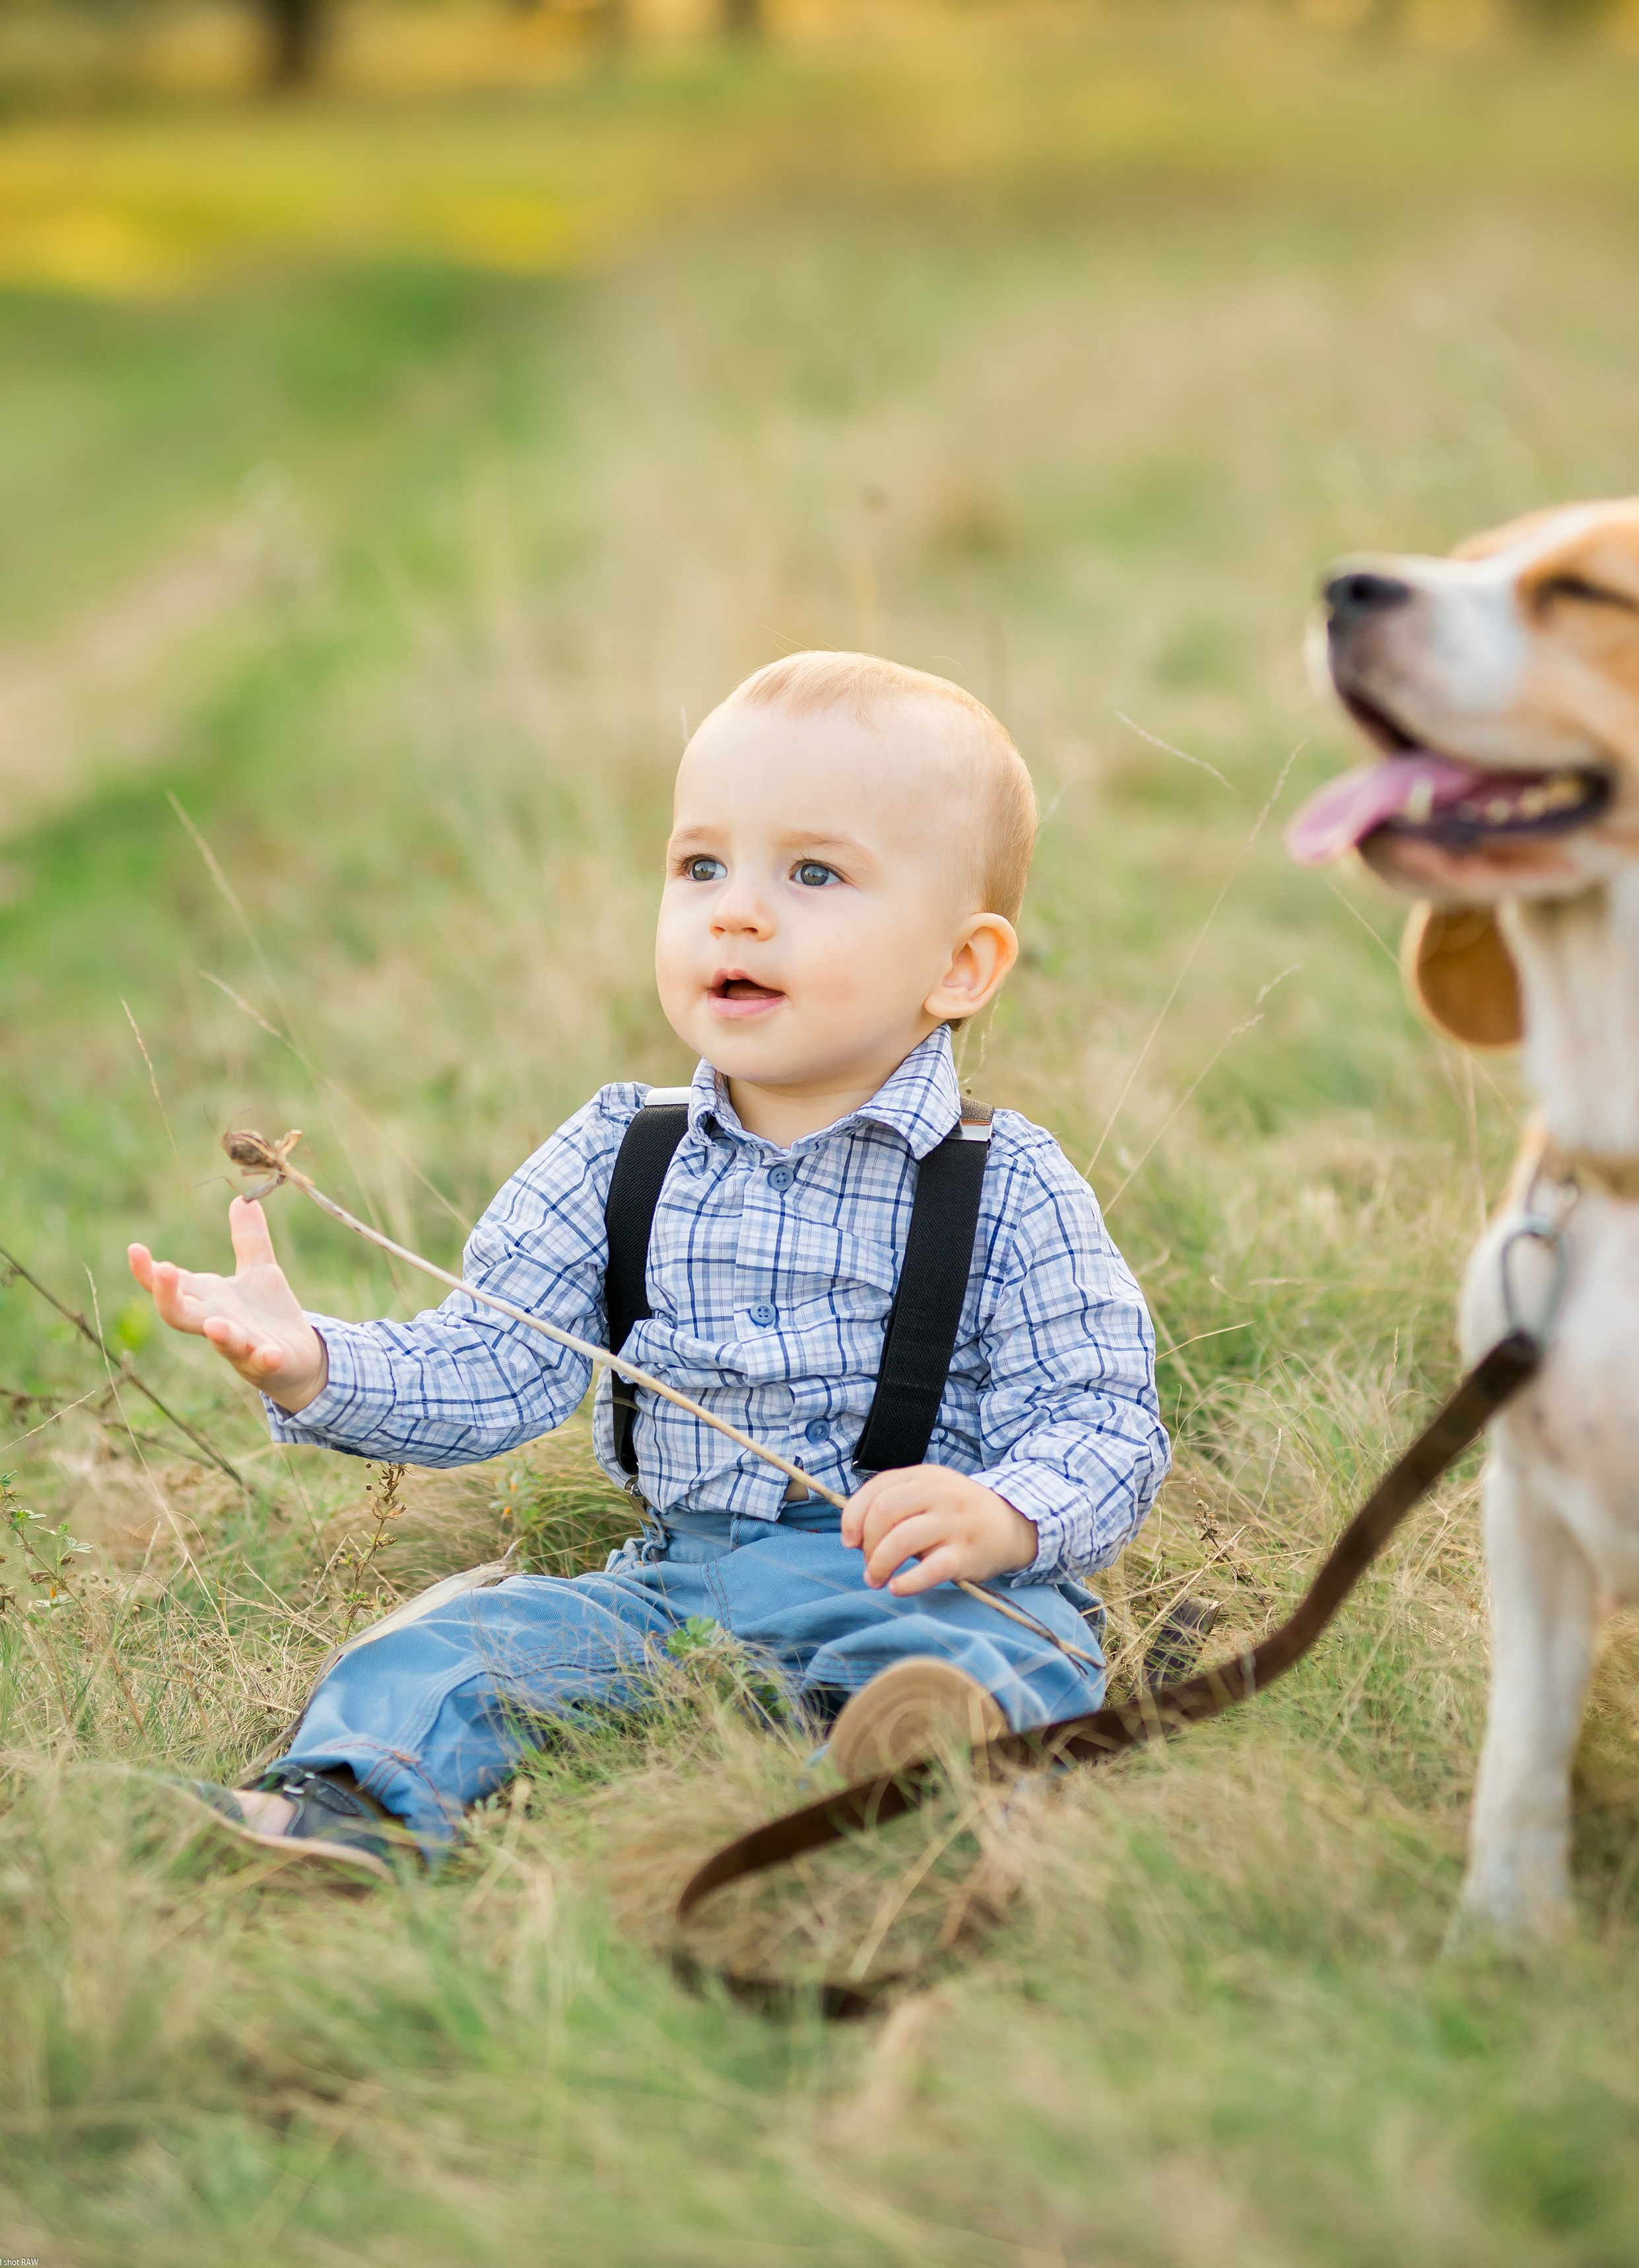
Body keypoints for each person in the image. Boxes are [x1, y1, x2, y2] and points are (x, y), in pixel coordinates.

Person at [128, 652, 1167, 1877]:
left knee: (1021, 1655)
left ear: (960, 966)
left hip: (910, 1589)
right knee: (440, 1651)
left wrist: (1004, 1513)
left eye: (815, 873)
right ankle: (339, 1815)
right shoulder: (621, 1153)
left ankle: (885, 1786)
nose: (736, 910)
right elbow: (493, 1368)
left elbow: (1104, 1420)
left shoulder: (1006, 1184)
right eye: (700, 866)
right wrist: (311, 1364)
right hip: (677, 1585)